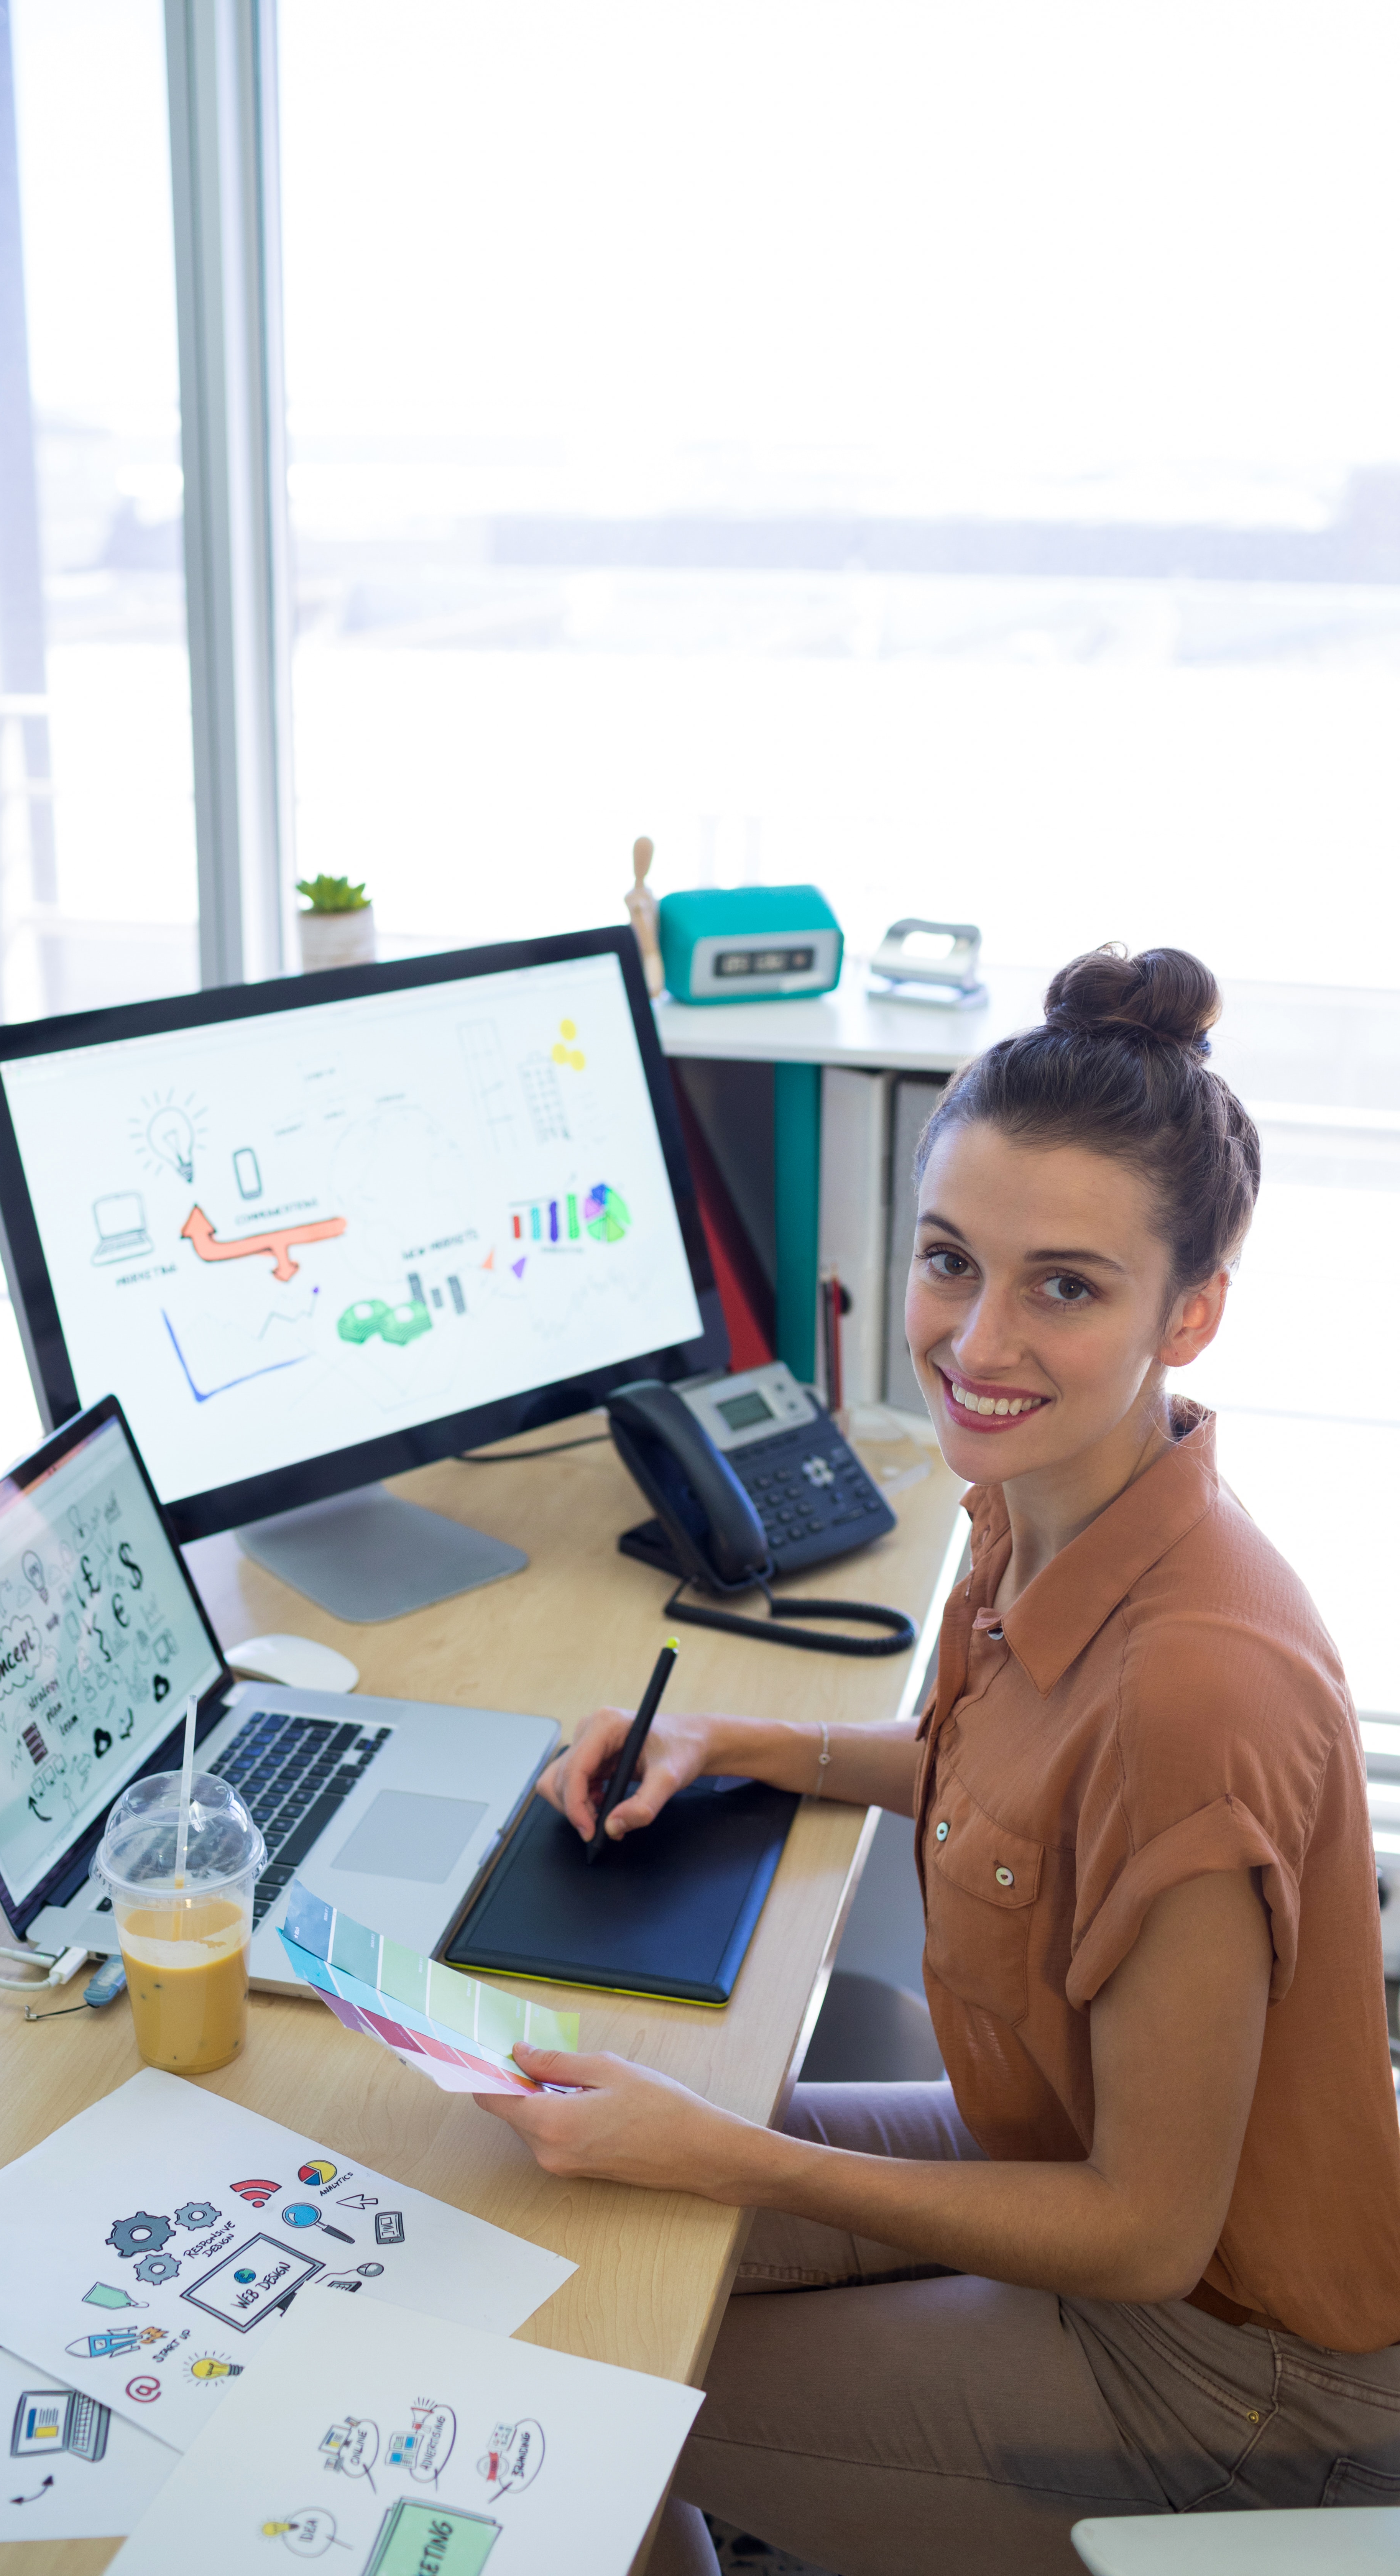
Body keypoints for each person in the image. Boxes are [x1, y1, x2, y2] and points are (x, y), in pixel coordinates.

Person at [476, 946, 1400, 2575]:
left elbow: (1144, 2226)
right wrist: (727, 1740)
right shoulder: (1055, 1501)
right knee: (554, 2222)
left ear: (1190, 1311)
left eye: (1065, 1286)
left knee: (585, 2357)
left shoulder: (1201, 1684)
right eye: (947, 1262)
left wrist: (730, 2148)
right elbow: (996, 1773)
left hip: (1226, 2361)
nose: (976, 1341)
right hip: (1043, 2144)